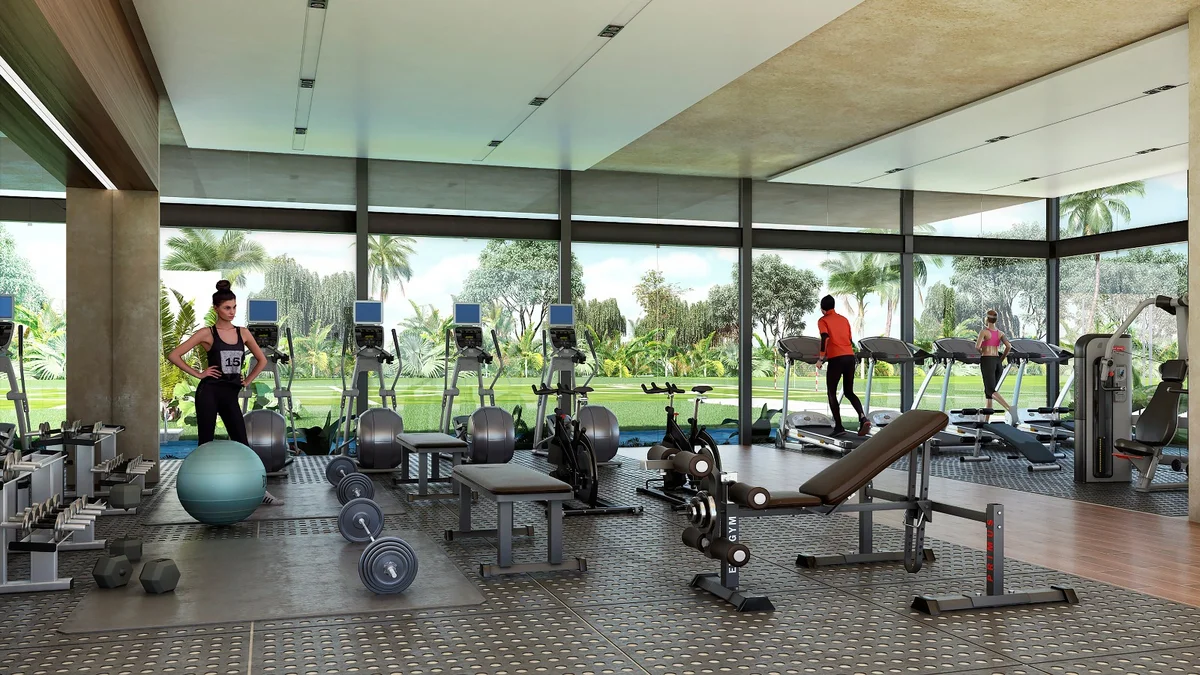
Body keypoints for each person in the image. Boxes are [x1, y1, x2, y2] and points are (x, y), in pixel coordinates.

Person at [168, 280, 284, 505]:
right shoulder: (207, 334)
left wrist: (247, 380)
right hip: (209, 393)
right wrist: (199, 374)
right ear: (216, 309)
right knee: (205, 444)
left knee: (243, 443)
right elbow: (174, 355)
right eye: (226, 308)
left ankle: (260, 492)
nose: (231, 312)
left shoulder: (243, 333)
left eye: (234, 307)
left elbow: (261, 360)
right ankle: (203, 492)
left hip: (230, 395)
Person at [815, 295, 869, 437]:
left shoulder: (823, 320)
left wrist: (821, 358)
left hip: (836, 359)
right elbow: (849, 339)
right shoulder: (844, 319)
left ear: (822, 309)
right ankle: (863, 418)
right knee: (849, 392)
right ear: (833, 306)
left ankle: (839, 426)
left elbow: (825, 337)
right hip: (849, 357)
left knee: (831, 392)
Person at [976, 309, 1014, 419]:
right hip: (997, 362)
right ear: (996, 320)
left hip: (987, 360)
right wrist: (1001, 359)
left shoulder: (984, 332)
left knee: (990, 390)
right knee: (989, 394)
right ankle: (986, 422)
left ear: (987, 319)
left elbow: (977, 347)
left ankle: (1010, 408)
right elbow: (1009, 346)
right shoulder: (1000, 333)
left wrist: (982, 352)